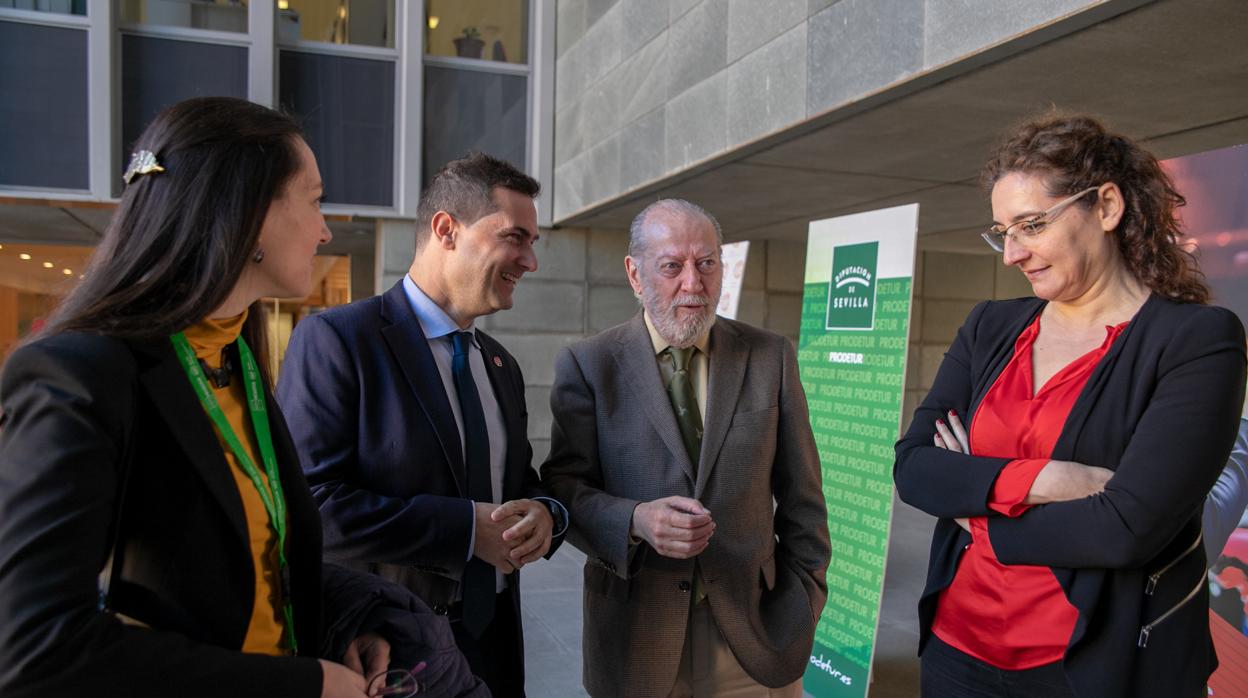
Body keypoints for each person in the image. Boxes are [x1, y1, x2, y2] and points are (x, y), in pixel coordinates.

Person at [0, 97, 483, 697]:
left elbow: (247, 566)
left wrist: (345, 622)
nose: (325, 229)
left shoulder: (235, 358)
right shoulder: (78, 373)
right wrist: (303, 683)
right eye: (314, 200)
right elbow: (37, 650)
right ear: (249, 211)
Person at [893, 113, 1246, 697]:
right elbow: (914, 468)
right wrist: (1048, 479)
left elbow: (1128, 529)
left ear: (1106, 207)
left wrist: (975, 503)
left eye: (1031, 225)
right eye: (1002, 230)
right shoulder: (990, 327)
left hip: (1095, 667)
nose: (1011, 253)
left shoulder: (1196, 341)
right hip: (957, 649)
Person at [276, 152, 567, 697]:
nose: (530, 261)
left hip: (497, 645)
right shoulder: (339, 340)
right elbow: (310, 506)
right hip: (391, 649)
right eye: (515, 237)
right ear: (446, 230)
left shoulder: (500, 363)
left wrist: (546, 514)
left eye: (533, 243)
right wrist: (462, 530)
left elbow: (521, 484)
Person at [541, 199, 831, 697]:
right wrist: (634, 520)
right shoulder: (588, 365)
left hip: (754, 634)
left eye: (707, 263)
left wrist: (803, 604)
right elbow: (563, 490)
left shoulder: (770, 356)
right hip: (636, 638)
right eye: (672, 266)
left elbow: (803, 498)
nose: (694, 283)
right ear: (635, 274)